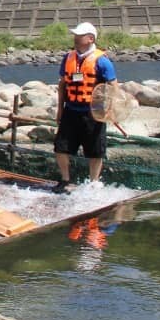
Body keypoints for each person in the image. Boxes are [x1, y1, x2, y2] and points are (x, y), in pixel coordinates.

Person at [52, 22, 117, 193]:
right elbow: (63, 85)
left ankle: (94, 183)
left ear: (90, 38)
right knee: (61, 147)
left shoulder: (102, 61)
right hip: (71, 110)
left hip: (93, 113)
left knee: (95, 150)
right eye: (75, 35)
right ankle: (65, 180)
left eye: (79, 35)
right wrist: (60, 109)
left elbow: (113, 86)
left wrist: (108, 110)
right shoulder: (68, 58)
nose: (75, 37)